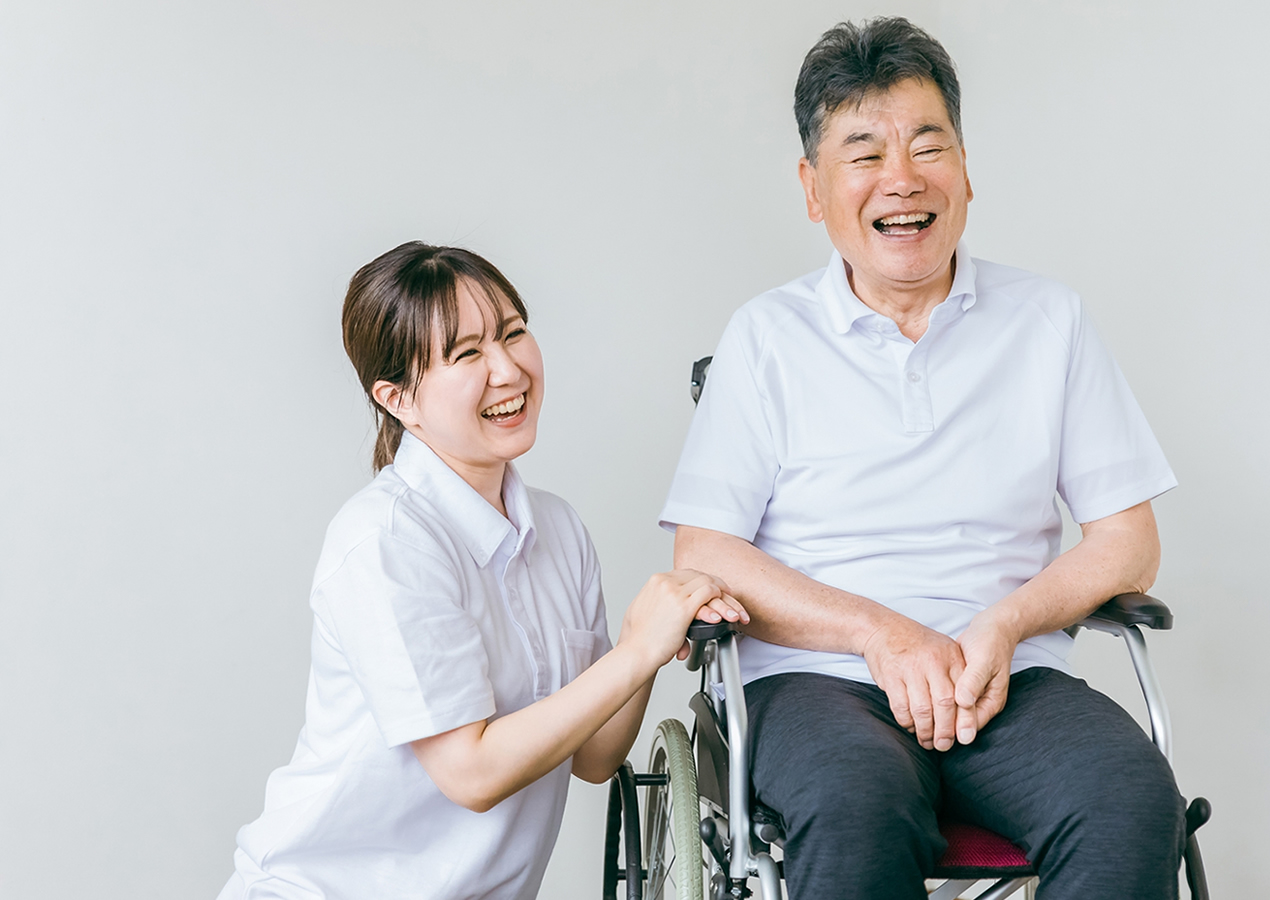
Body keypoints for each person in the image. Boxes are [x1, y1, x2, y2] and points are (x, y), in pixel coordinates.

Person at [660, 17, 1184, 900]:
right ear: (813, 188)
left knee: (1129, 799)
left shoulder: (1048, 321)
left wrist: (1004, 626)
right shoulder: (767, 337)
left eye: (928, 146)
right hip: (819, 680)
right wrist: (881, 633)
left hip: (1006, 677)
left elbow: (1128, 541)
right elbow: (704, 552)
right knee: (856, 805)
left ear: (966, 170)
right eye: (864, 154)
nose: (902, 179)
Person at [220, 242, 746, 900]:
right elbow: (471, 773)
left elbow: (594, 757)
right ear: (397, 398)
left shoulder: (558, 530)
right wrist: (635, 652)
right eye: (467, 354)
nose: (508, 369)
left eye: (513, 333)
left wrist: (648, 640)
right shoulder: (387, 542)